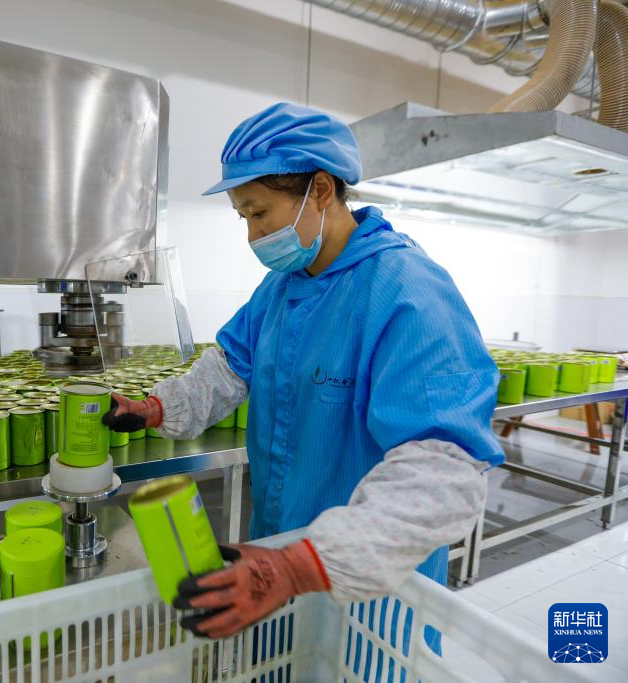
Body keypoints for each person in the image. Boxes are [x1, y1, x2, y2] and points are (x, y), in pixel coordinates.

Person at [103, 103, 503, 646]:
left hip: (367, 589)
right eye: (244, 217)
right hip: (277, 558)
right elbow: (228, 366)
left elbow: (441, 475)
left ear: (320, 190)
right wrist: (157, 407)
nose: (253, 235)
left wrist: (299, 567)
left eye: (260, 212)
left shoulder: (409, 292)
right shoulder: (282, 287)